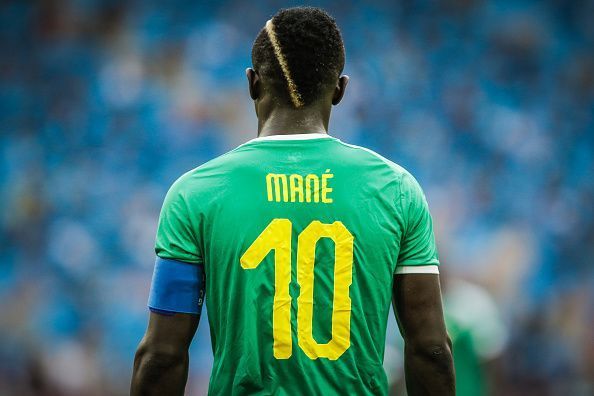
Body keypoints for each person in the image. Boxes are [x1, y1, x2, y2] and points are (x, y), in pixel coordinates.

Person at [131, 6, 454, 395]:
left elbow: (162, 354)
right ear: (340, 90)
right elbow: (430, 347)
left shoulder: (195, 192)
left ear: (252, 83)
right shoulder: (397, 189)